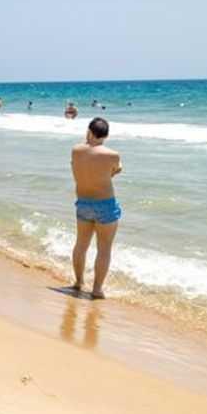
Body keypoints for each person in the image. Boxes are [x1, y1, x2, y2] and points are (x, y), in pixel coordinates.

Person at [70, 117, 122, 299]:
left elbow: (78, 167)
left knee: (81, 244)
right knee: (104, 248)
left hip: (83, 202)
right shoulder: (112, 155)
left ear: (89, 131)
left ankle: (78, 281)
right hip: (105, 204)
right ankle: (97, 289)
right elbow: (114, 171)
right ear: (106, 135)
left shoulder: (76, 150)